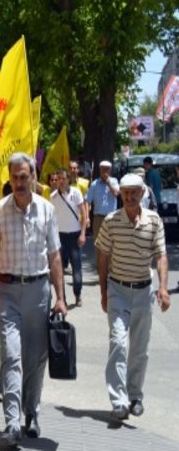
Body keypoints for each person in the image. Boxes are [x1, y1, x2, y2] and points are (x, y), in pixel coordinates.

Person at [0, 152, 67, 449]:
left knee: (36, 358)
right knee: (11, 356)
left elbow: (55, 255)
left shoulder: (46, 210)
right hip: (7, 292)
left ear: (33, 177)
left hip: (38, 292)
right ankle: (11, 424)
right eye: (15, 177)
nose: (20, 183)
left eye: (24, 177)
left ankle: (31, 413)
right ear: (9, 178)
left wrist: (61, 297)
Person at [95, 173, 171, 421]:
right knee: (118, 343)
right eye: (125, 192)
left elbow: (160, 255)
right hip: (118, 289)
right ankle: (119, 401)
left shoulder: (153, 221)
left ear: (142, 194)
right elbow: (103, 256)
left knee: (139, 348)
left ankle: (135, 395)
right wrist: (104, 293)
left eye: (133, 192)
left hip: (143, 291)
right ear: (121, 194)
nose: (129, 196)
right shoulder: (111, 221)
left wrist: (163, 288)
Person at [50, 168, 88, 307]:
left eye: (63, 178)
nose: (60, 181)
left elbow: (83, 215)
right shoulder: (53, 196)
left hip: (75, 236)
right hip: (59, 237)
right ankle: (62, 299)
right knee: (59, 270)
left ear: (68, 179)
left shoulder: (76, 193)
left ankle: (77, 294)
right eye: (58, 178)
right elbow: (51, 219)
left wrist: (83, 234)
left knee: (76, 269)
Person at [86, 160, 119, 241]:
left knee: (112, 242)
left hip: (112, 217)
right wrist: (87, 217)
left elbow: (116, 193)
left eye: (107, 169)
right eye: (103, 169)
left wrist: (109, 184)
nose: (105, 172)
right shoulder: (94, 184)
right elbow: (87, 201)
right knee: (98, 242)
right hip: (98, 218)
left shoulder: (114, 181)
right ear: (100, 170)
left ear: (110, 170)